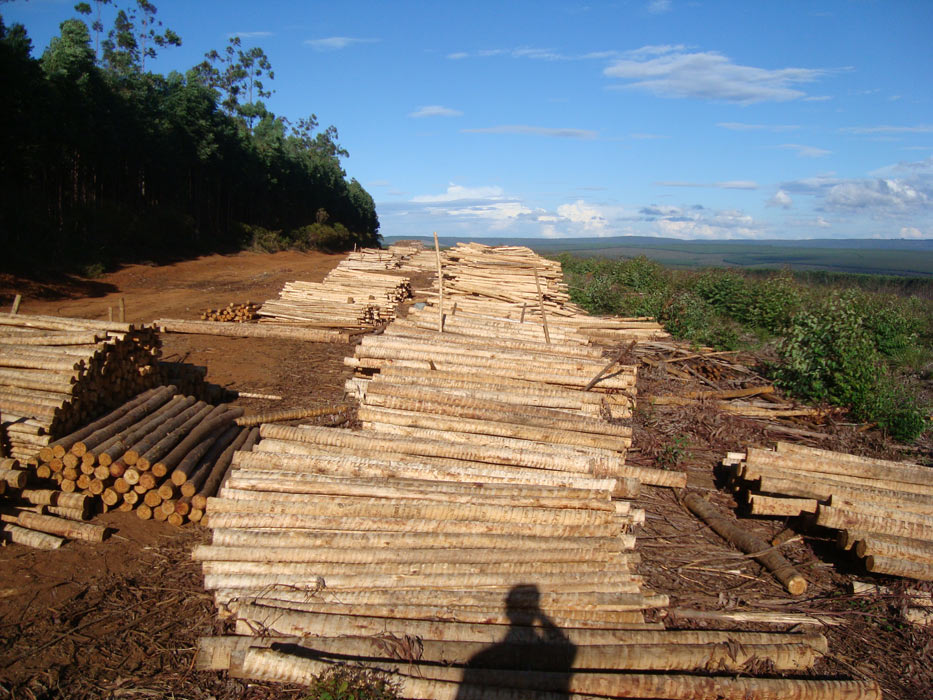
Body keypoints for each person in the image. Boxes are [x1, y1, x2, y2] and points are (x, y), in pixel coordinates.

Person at [456, 584, 577, 699]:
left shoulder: (480, 659)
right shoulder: (553, 656)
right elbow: (569, 650)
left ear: (507, 610)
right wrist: (541, 616)